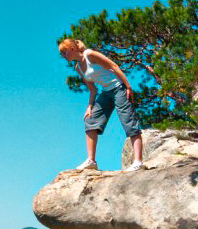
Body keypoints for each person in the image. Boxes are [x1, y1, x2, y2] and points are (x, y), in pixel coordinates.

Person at [57, 38, 144, 171]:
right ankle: (91, 161)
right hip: (106, 92)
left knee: (128, 122)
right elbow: (92, 89)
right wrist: (89, 106)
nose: (63, 56)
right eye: (62, 54)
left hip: (118, 88)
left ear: (72, 49)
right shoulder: (78, 67)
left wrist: (127, 86)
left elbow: (114, 66)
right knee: (90, 120)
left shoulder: (90, 54)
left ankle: (138, 162)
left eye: (64, 52)